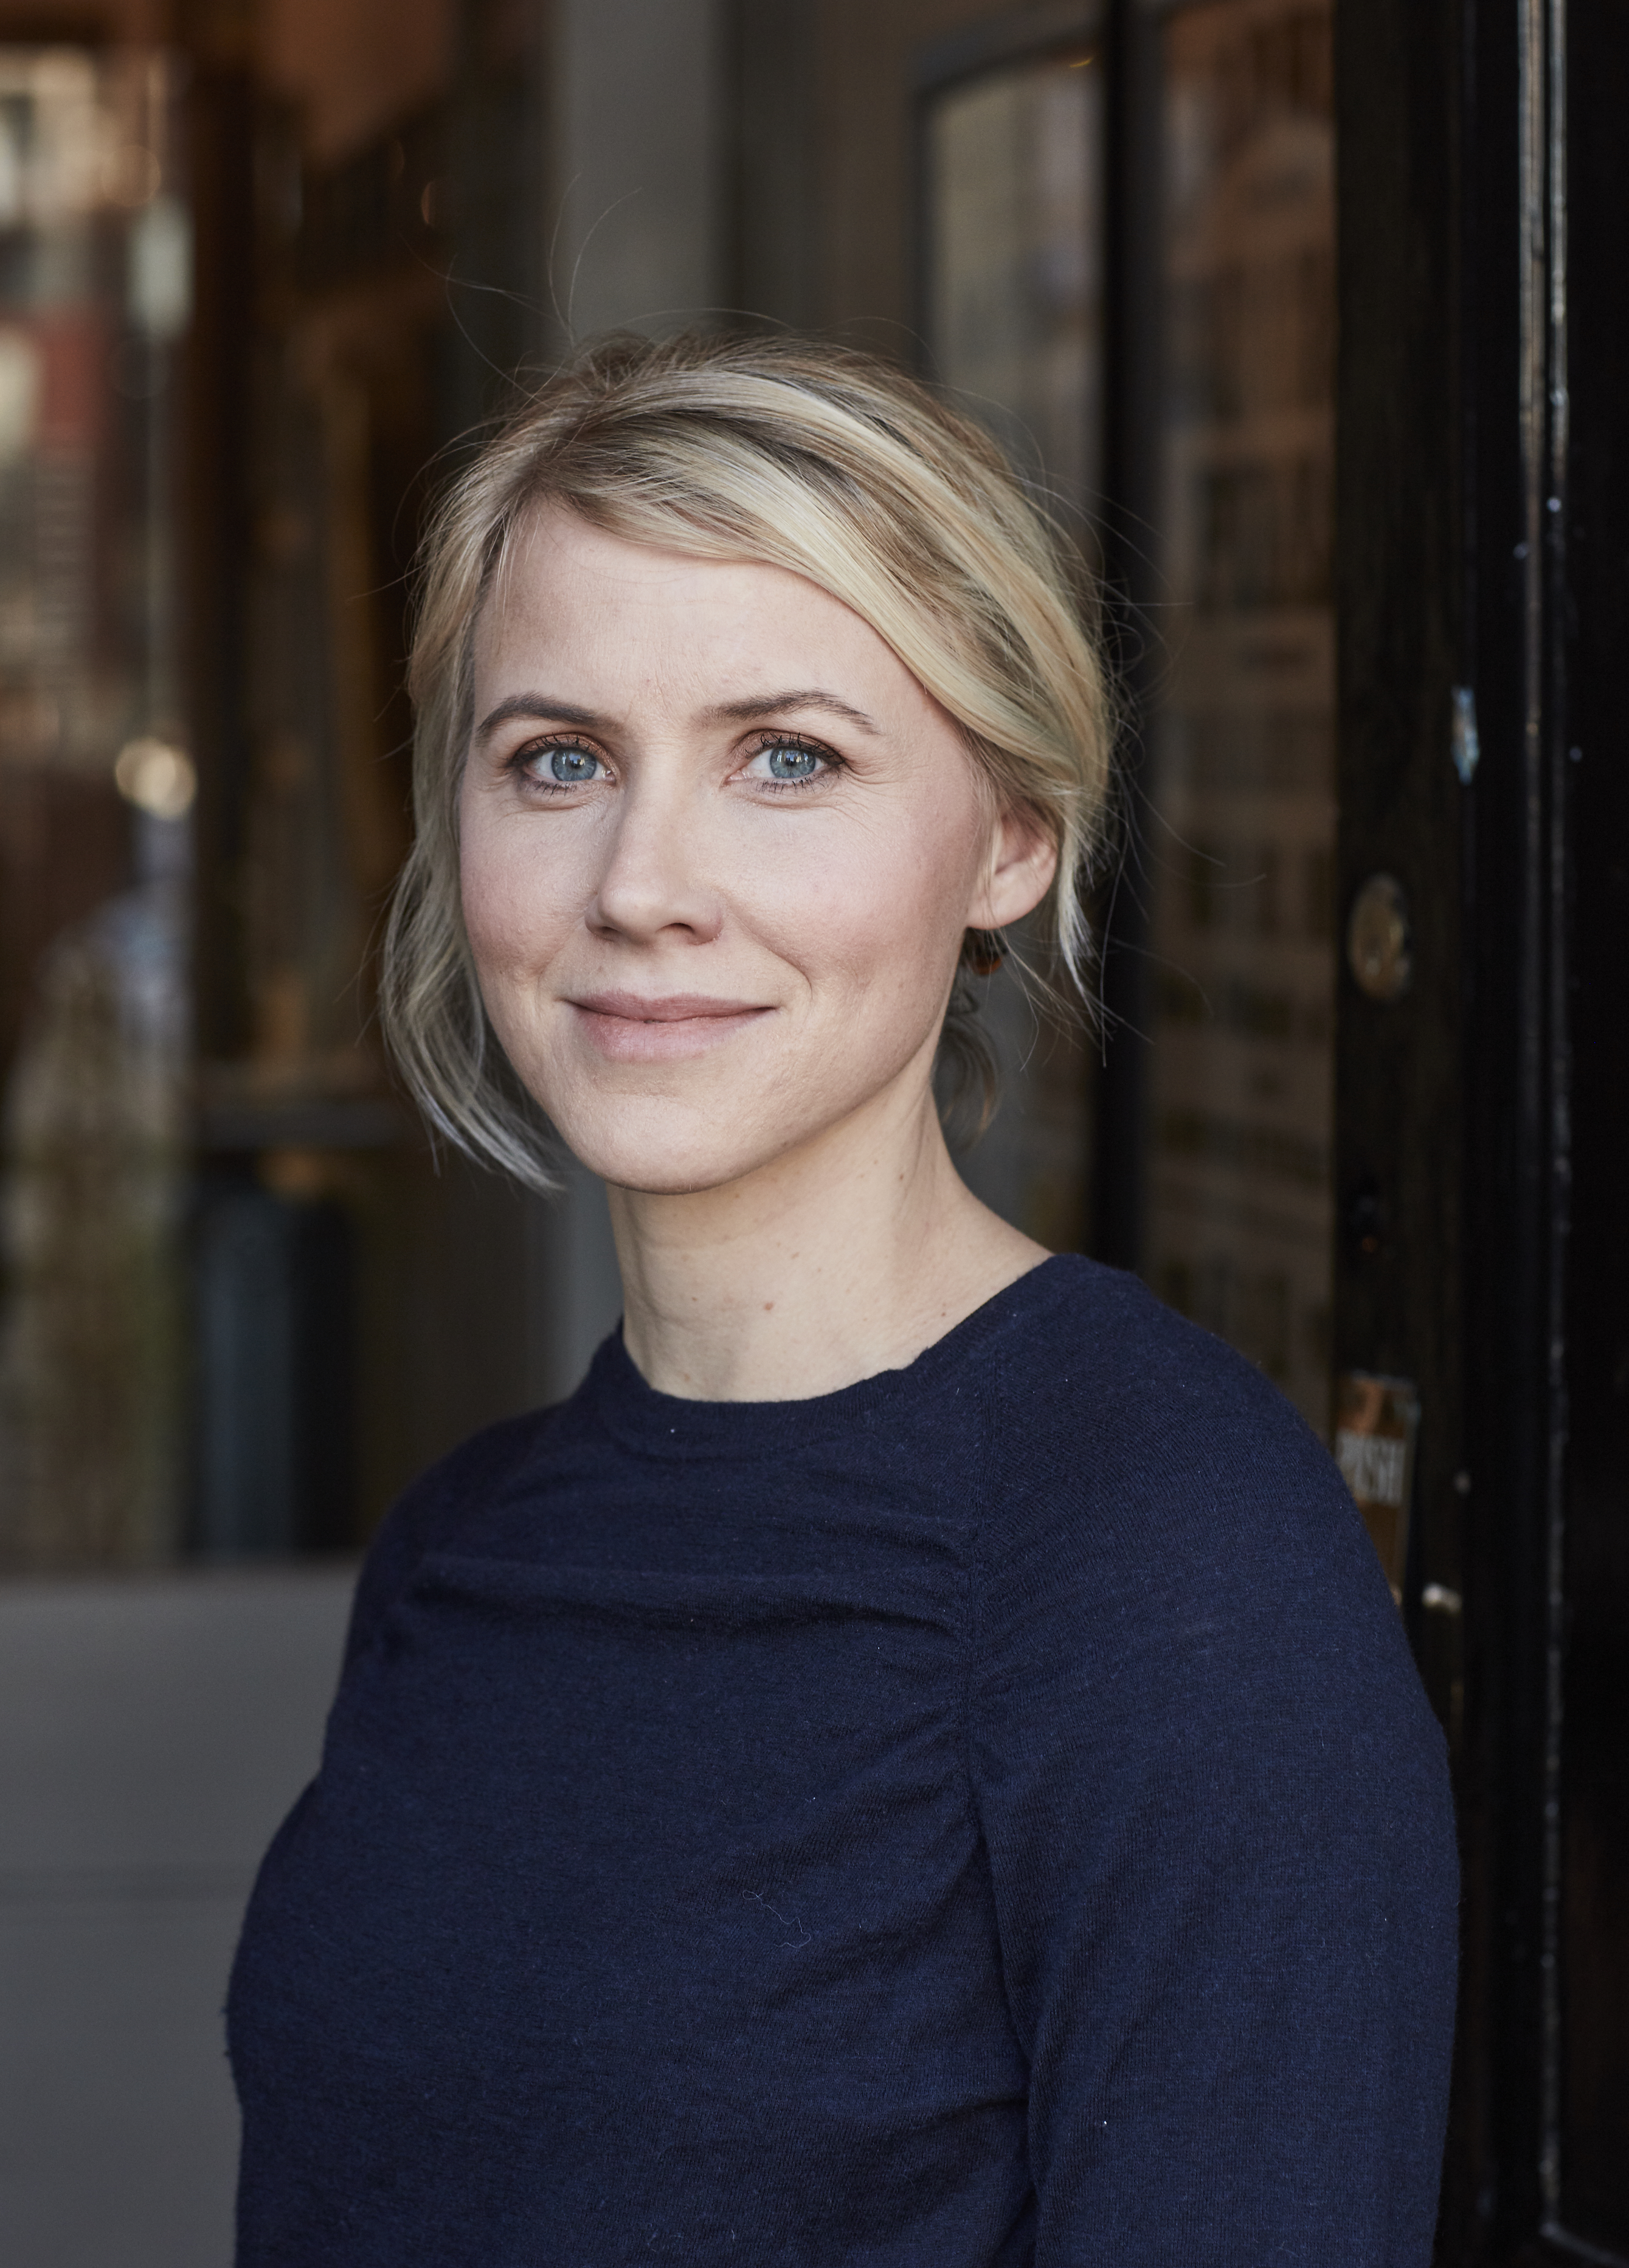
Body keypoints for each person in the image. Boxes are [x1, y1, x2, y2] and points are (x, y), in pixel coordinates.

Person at [227, 333, 1457, 2266]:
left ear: (1012, 837)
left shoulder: (1171, 1565)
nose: (644, 882)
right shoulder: (460, 1548)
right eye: (559, 759)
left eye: (784, 757)